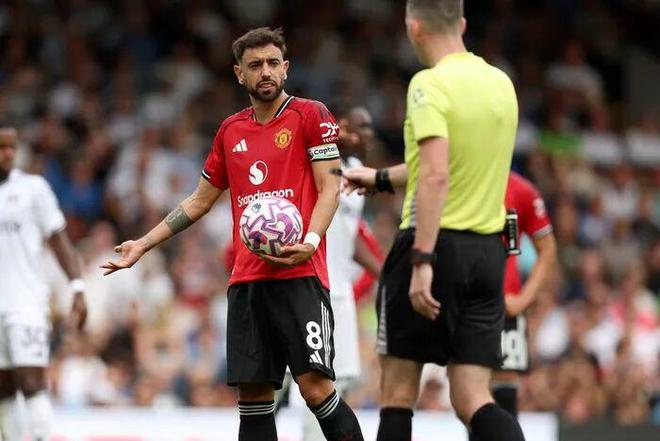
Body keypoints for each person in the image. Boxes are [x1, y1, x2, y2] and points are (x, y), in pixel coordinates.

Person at [101, 27, 363, 441]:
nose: (266, 72)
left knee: (315, 389)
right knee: (254, 397)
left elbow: (330, 187)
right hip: (247, 281)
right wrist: (143, 244)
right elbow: (199, 200)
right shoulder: (230, 131)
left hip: (300, 275)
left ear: (286, 68)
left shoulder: (311, 115)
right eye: (255, 65)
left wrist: (310, 242)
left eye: (273, 63)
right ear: (239, 73)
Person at [343, 1, 525, 440]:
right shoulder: (501, 83)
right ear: (461, 23)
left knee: (398, 393)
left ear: (413, 26)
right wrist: (381, 178)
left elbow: (436, 174)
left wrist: (422, 259)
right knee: (472, 398)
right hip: (488, 255)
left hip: (434, 246)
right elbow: (446, 162)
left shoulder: (428, 84)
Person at [0, 125, 87, 441]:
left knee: (32, 383)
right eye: (2, 147)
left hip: (25, 304)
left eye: (12, 147)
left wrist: (77, 286)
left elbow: (59, 240)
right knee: (4, 390)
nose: (8, 153)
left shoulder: (33, 189)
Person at [468, 171, 556, 441]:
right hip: (467, 304)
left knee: (503, 387)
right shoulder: (464, 179)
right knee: (467, 394)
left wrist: (523, 299)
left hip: (505, 310)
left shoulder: (522, 190)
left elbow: (548, 249)